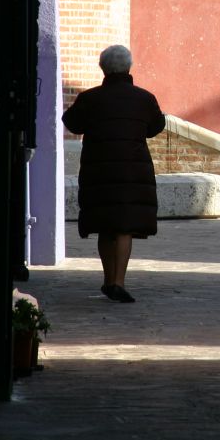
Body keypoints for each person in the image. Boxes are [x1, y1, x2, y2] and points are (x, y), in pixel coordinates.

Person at [62, 45, 166, 303]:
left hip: (99, 169)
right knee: (124, 227)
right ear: (128, 67)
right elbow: (156, 126)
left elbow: (72, 122)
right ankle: (118, 281)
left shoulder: (89, 99)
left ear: (103, 68)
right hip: (132, 168)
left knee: (106, 225)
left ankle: (109, 279)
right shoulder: (144, 98)